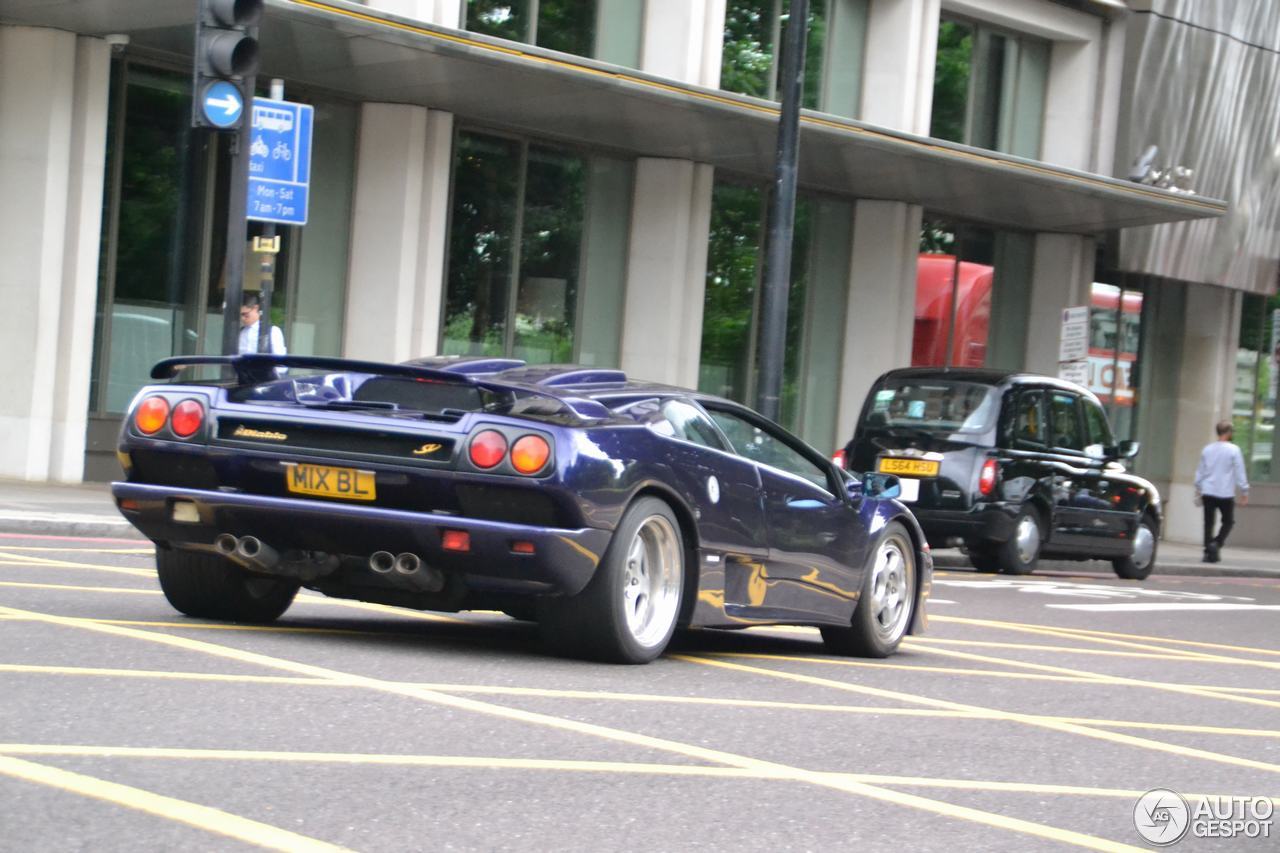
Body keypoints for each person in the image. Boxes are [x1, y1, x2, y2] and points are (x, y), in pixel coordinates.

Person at [1194, 420, 1249, 563]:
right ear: (1229, 433)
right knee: (1228, 521)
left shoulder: (1207, 449)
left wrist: (1198, 487)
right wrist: (1244, 491)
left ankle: (1208, 552)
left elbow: (1201, 471)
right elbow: (1239, 471)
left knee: (1208, 523)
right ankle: (1216, 544)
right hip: (1225, 493)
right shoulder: (1234, 450)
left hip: (1208, 491)